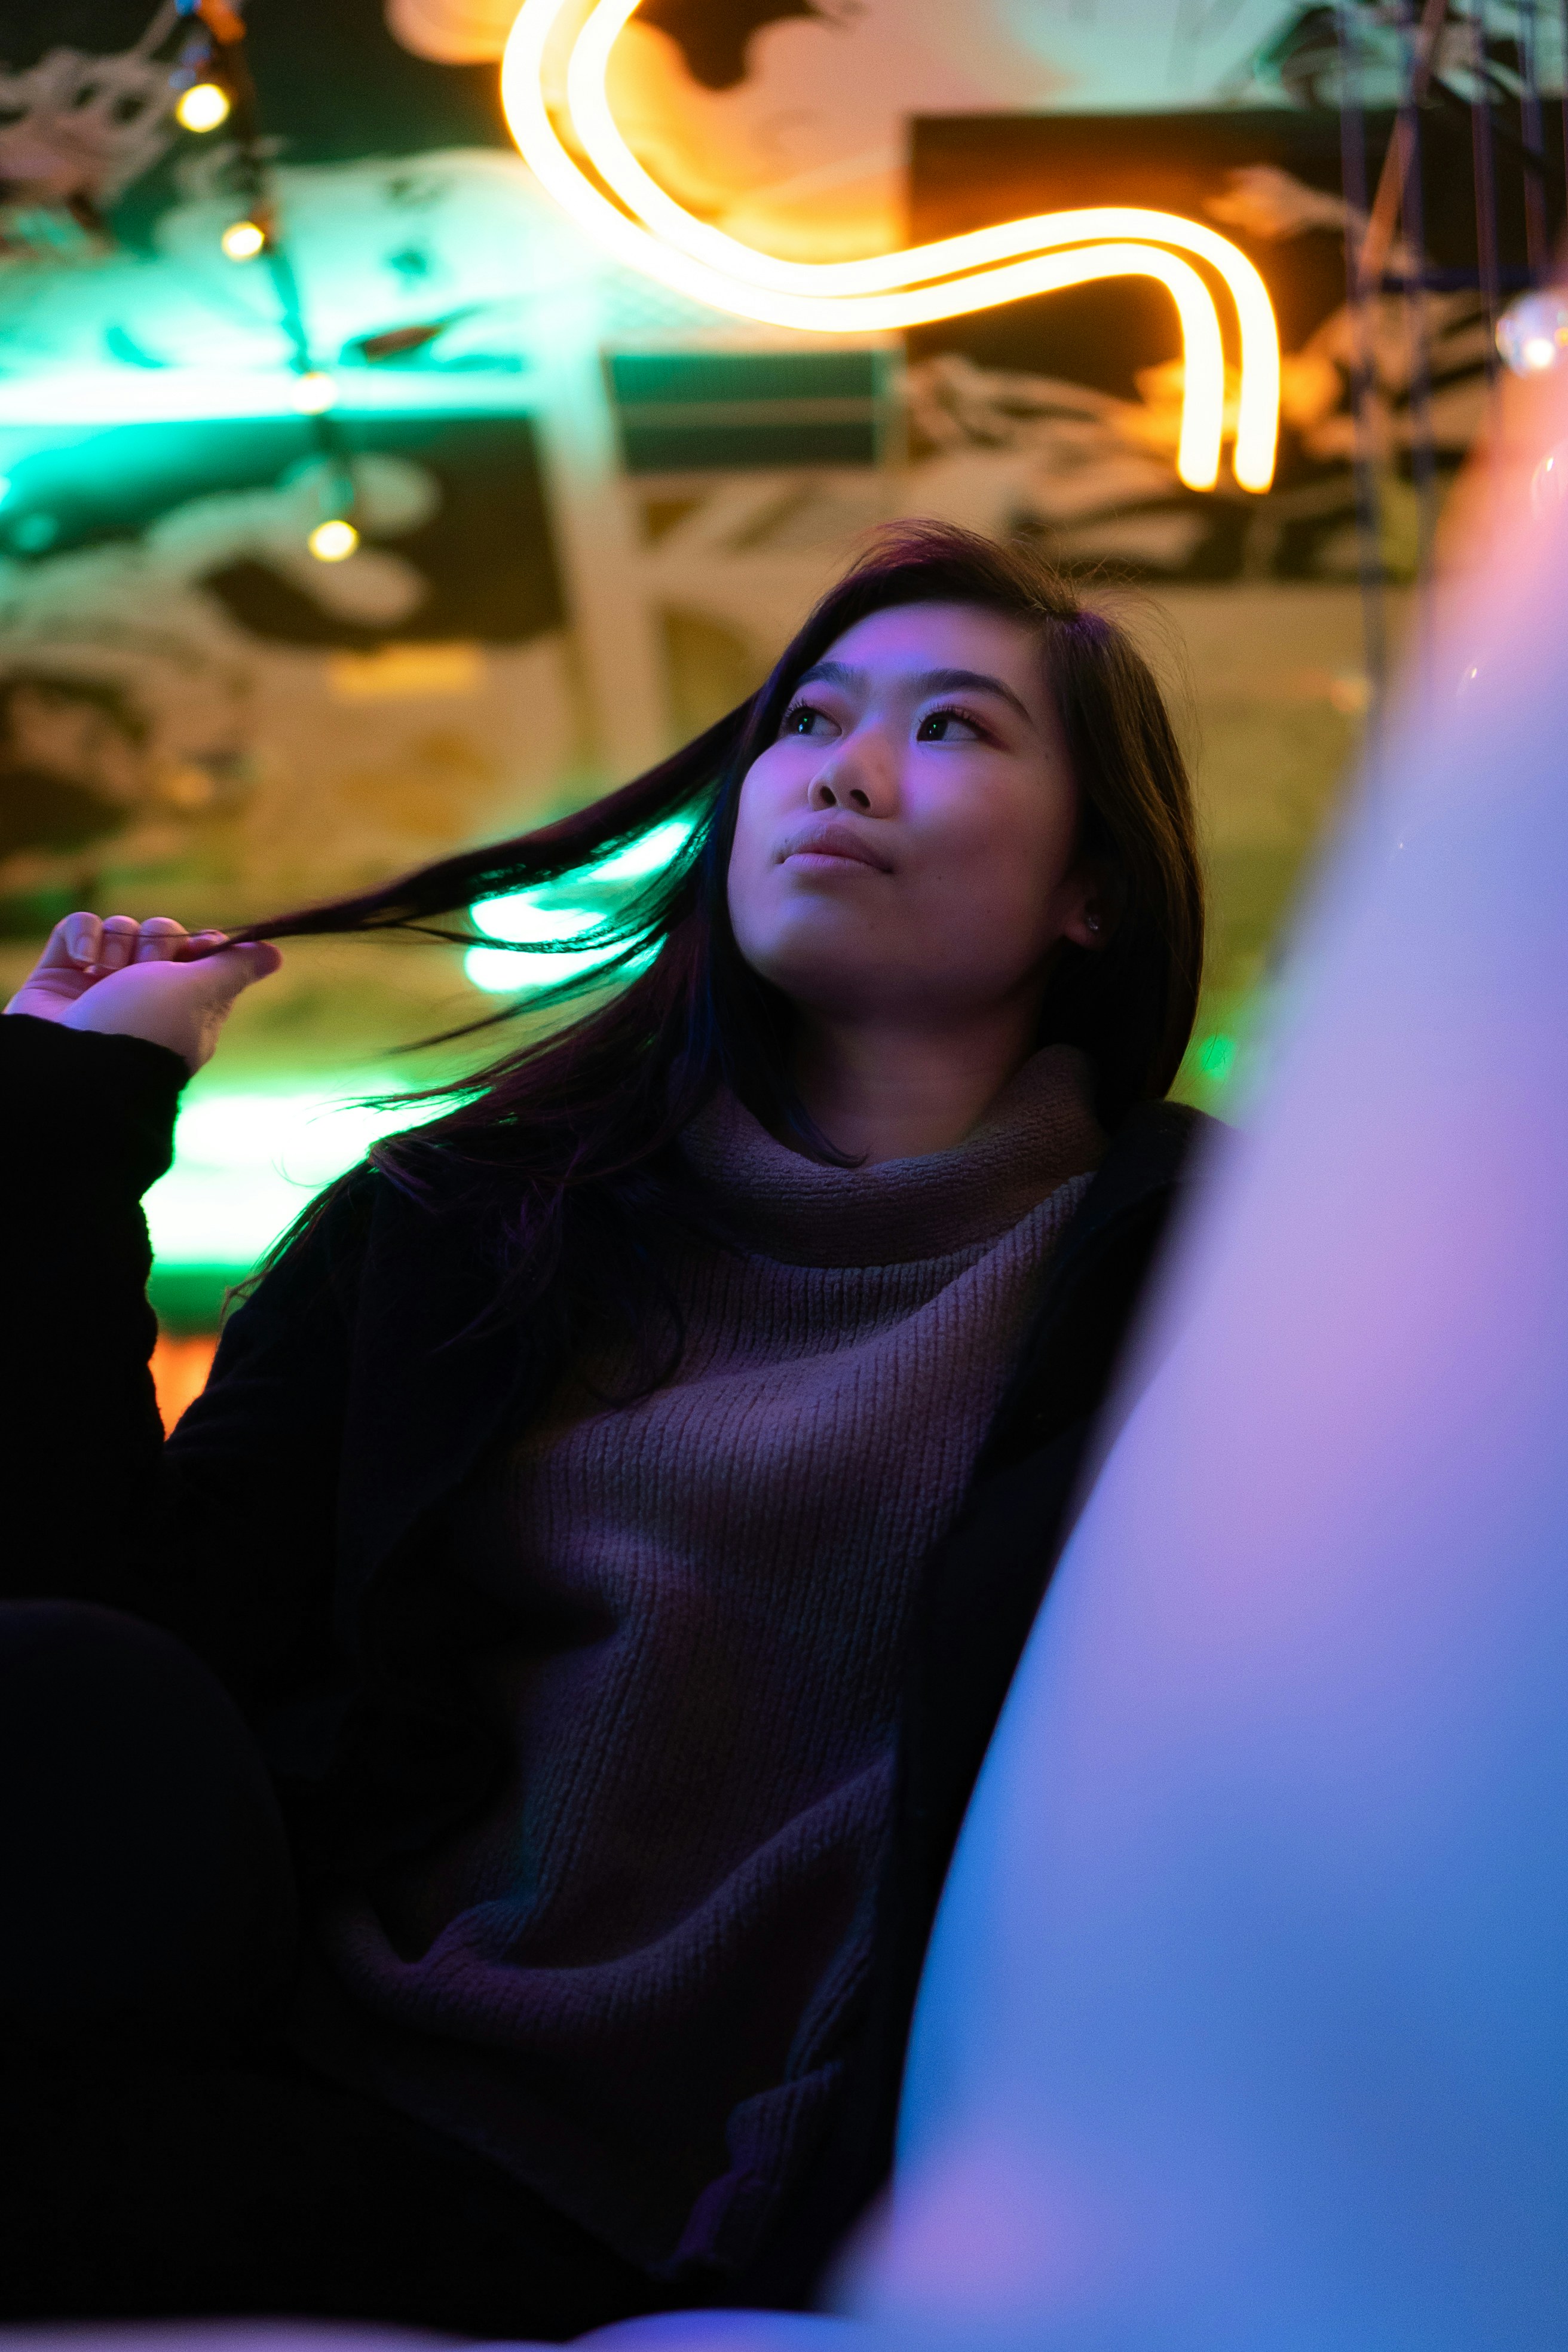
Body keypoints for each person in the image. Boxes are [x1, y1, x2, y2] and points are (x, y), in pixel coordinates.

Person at [1, 522, 1211, 2338]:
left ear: (1092, 894)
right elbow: (120, 1639)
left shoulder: (1202, 1276)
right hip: (339, 2081)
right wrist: (66, 1116)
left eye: (953, 730)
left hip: (752, 2193)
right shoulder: (463, 1225)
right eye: (807, 720)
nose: (846, 771)